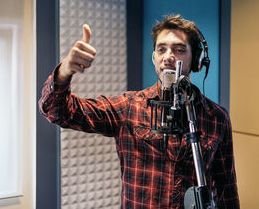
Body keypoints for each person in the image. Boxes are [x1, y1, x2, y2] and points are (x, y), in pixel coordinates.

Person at [39, 15, 240, 208]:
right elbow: (57, 110)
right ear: (154, 58)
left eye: (179, 50)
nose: (168, 57)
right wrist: (65, 71)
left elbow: (226, 190)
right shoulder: (129, 107)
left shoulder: (216, 118)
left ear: (196, 60)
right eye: (161, 49)